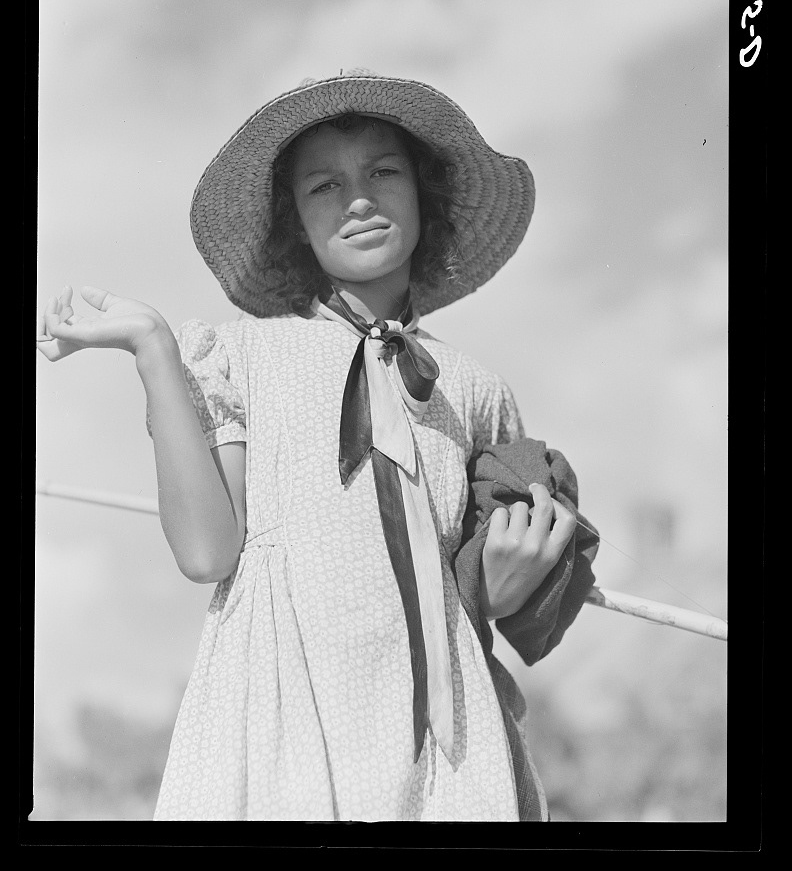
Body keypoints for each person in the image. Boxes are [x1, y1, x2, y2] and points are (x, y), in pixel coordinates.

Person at [37, 68, 596, 822]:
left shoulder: (475, 390)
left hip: (442, 745)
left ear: (424, 194)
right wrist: (153, 349)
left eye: (384, 171)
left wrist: (503, 586)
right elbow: (207, 553)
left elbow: (479, 590)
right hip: (278, 719)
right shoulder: (236, 356)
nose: (358, 199)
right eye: (323, 186)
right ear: (293, 222)